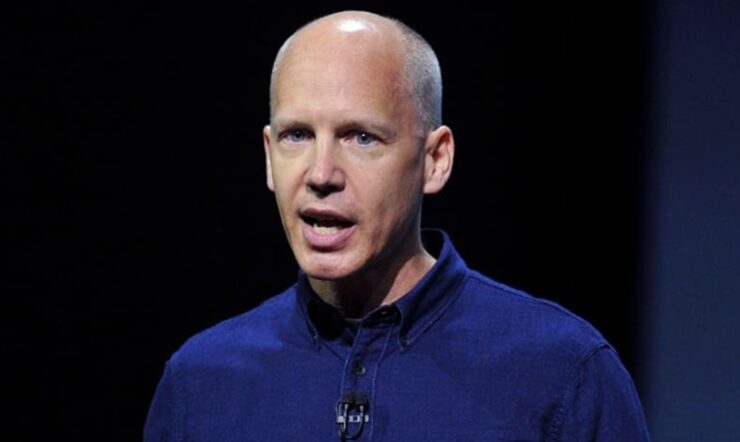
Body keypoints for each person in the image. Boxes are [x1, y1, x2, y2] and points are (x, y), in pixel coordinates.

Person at [144, 10, 651, 441]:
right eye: (297, 135)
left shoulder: (562, 372)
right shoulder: (199, 383)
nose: (320, 174)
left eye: (361, 138)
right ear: (268, 156)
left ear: (435, 159)